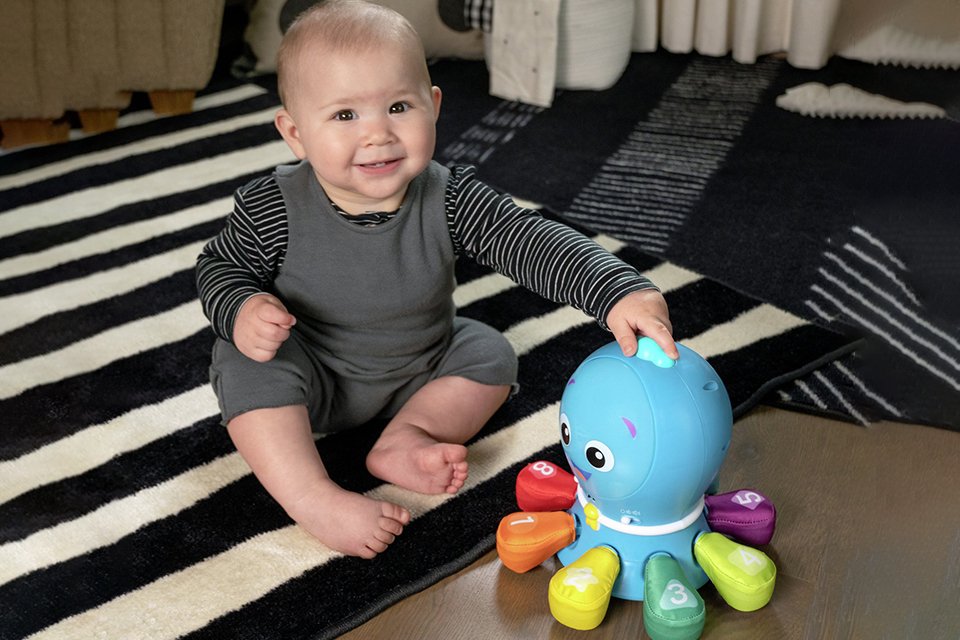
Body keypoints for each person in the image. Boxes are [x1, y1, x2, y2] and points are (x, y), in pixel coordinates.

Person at [196, 0, 676, 559]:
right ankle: (312, 495)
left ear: (434, 106)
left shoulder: (449, 196)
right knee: (241, 360)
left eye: (399, 106)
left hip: (421, 367)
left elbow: (527, 238)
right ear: (295, 133)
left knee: (491, 351)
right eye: (345, 115)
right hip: (312, 373)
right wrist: (242, 306)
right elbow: (218, 267)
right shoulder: (274, 206)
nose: (378, 134)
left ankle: (407, 438)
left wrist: (616, 288)